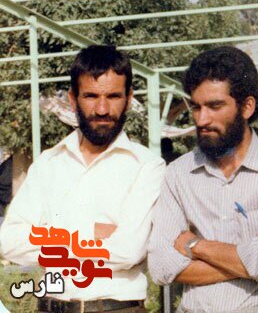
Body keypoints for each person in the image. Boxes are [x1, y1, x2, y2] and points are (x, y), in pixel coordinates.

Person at [0, 45, 166, 312]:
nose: (102, 109)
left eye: (113, 96)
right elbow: (8, 241)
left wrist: (50, 234)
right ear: (73, 99)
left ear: (128, 98)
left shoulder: (147, 167)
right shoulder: (48, 163)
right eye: (91, 96)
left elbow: (128, 250)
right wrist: (92, 232)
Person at [147, 46, 258, 313]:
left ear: (247, 107)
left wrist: (194, 245)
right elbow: (161, 266)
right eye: (196, 107)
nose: (202, 119)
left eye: (215, 106)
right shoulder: (178, 173)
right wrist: (252, 261)